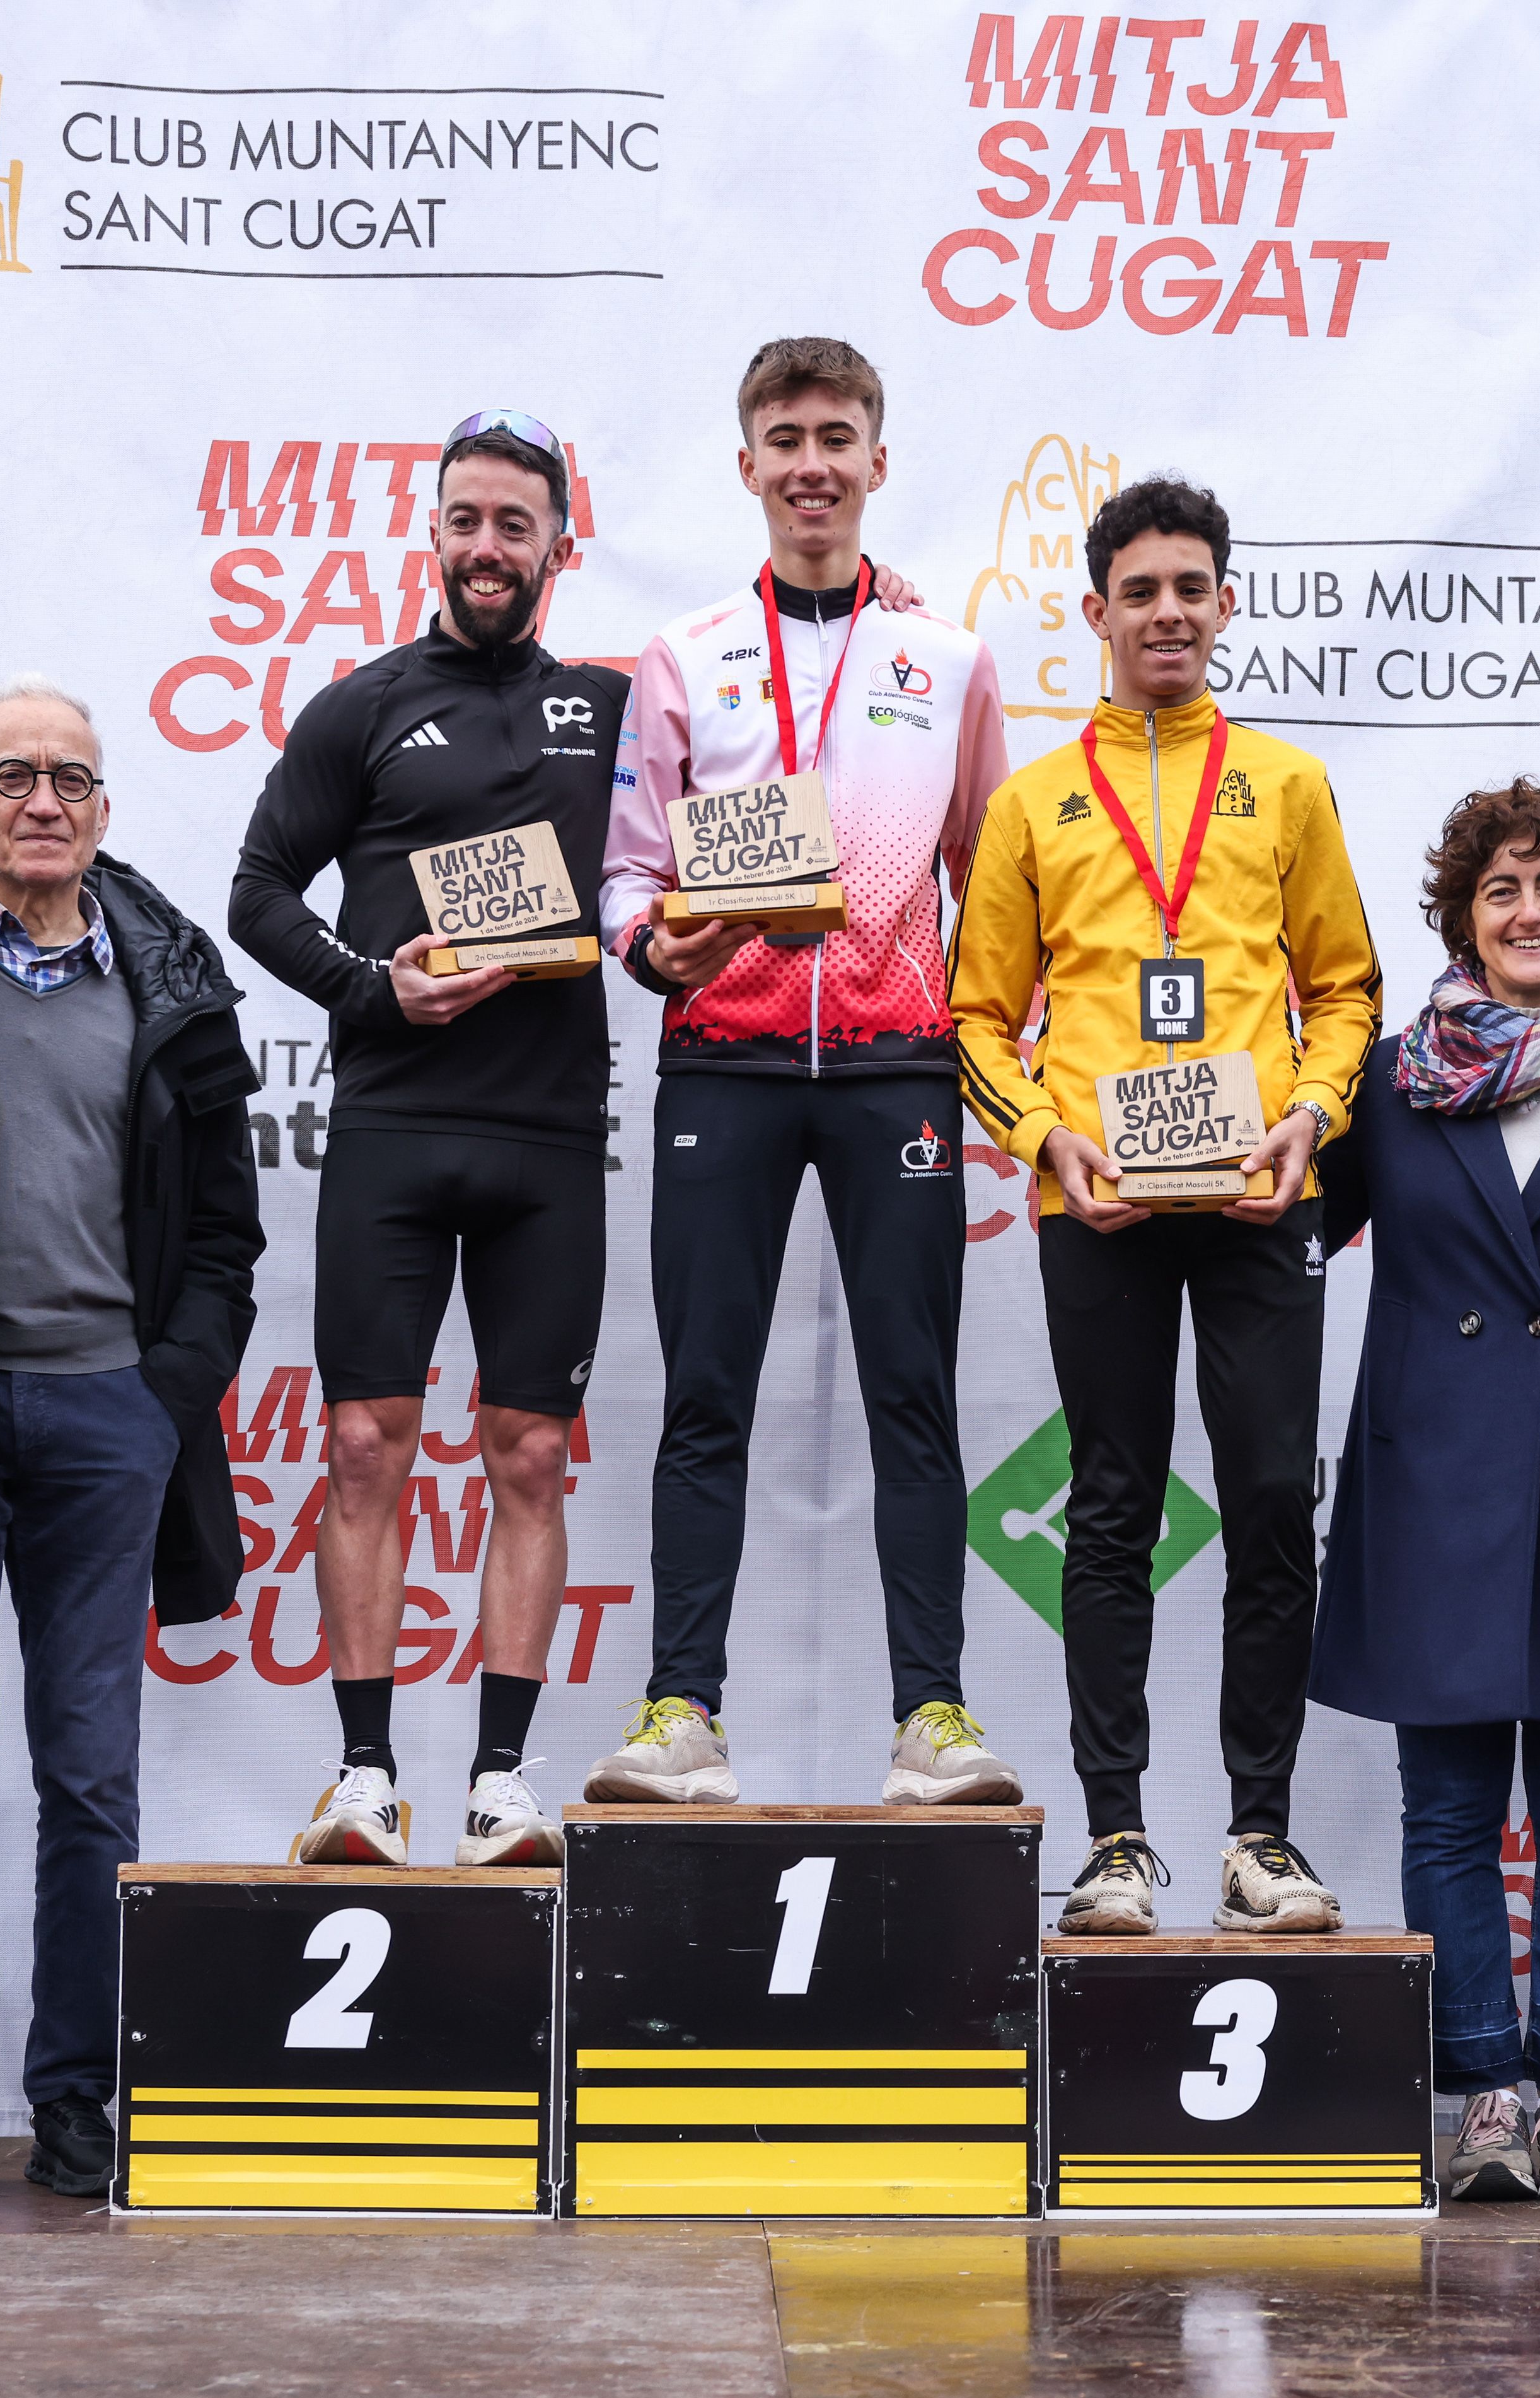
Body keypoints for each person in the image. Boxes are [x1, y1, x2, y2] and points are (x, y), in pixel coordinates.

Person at [586, 335, 1021, 1809]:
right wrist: (659, 953)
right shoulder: (687, 652)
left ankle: (933, 1719)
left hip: (898, 1064)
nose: (813, 464)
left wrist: (988, 1045)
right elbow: (629, 875)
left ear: (878, 461)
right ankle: (681, 1713)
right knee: (705, 1395)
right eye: (787, 439)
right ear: (749, 464)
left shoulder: (946, 660)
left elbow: (992, 881)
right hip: (726, 1060)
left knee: (915, 1394)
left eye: (838, 437)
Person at [947, 474, 1381, 1936]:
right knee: (1113, 1507)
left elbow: (1345, 990)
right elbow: (977, 1017)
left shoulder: (1287, 784)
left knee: (1269, 1503)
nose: (1169, 612)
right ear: (1098, 612)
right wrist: (1045, 1139)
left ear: (1226, 603)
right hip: (1102, 1202)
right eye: (1141, 590)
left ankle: (1262, 1837)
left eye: (1192, 587)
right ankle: (1118, 1839)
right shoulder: (1033, 801)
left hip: (1262, 1198)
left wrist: (1310, 1114)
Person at [0, 679, 262, 2203]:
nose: (42, 801)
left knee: (90, 1777)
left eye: (71, 778)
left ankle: (79, 2094)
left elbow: (223, 1228)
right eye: (12, 774)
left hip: (107, 1419)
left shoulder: (172, 974)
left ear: (103, 808)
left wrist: (166, 1392)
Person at [226, 411, 628, 1870]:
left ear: (558, 544)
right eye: (466, 520)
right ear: (435, 533)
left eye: (515, 523)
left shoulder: (613, 705)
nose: (487, 547)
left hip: (550, 1135)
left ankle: (502, 1781)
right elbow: (259, 891)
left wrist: (868, 605)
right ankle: (364, 1778)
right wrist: (371, 987)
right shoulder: (365, 705)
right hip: (395, 1121)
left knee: (528, 1454)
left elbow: (757, 735)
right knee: (361, 1443)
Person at [1310, 779, 1540, 2203]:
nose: (1531, 913)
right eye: (1502, 891)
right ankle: (1481, 2089)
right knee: (1450, 1813)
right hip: (1434, 1479)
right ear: (1464, 918)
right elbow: (1288, 1224)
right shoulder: (1386, 1079)